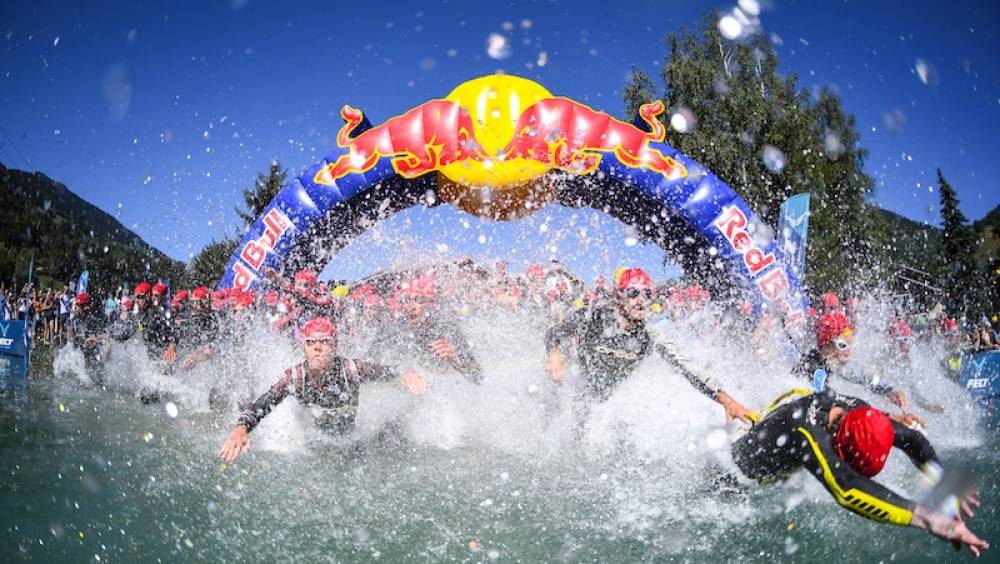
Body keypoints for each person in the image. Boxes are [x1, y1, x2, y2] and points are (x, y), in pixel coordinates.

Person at [730, 386, 989, 557]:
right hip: (738, 470)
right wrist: (929, 519)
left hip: (773, 424)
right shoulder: (810, 436)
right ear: (838, 447)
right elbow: (847, 489)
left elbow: (912, 440)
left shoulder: (860, 414)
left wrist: (943, 484)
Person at [545, 267, 751, 422]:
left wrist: (726, 400)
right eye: (633, 293)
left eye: (647, 294)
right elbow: (554, 333)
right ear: (619, 296)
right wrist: (554, 354)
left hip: (609, 403)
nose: (641, 300)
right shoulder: (595, 317)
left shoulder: (649, 335)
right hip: (580, 394)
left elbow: (687, 368)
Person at [218, 317, 428, 462]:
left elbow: (392, 371)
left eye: (324, 342)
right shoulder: (295, 377)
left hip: (350, 443)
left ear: (334, 346)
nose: (317, 347)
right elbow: (260, 405)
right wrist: (241, 428)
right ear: (304, 347)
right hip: (315, 445)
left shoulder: (352, 369)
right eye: (311, 343)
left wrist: (406, 374)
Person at [794, 311, 910, 413]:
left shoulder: (832, 362)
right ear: (826, 346)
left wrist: (889, 390)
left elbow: (862, 376)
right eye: (842, 345)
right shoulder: (815, 368)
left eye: (850, 344)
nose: (848, 352)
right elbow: (824, 399)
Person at [66, 292, 109, 385]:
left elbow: (106, 338)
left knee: (97, 379)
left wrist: (94, 339)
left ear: (85, 307)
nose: (75, 308)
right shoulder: (76, 319)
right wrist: (72, 334)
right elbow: (74, 339)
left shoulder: (94, 320)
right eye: (75, 306)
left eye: (77, 306)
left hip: (97, 355)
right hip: (86, 355)